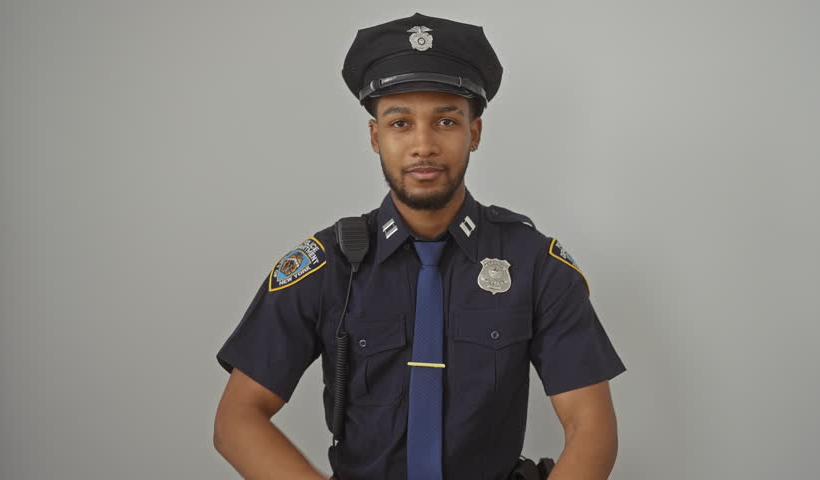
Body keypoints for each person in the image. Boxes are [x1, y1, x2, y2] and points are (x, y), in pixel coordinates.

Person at [213, 12, 626, 480]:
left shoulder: (534, 263)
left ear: (474, 133)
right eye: (400, 123)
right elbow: (237, 419)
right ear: (376, 137)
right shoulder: (327, 265)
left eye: (446, 121)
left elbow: (591, 426)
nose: (423, 145)